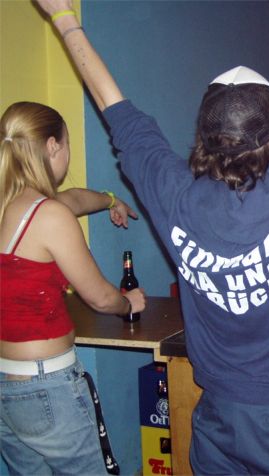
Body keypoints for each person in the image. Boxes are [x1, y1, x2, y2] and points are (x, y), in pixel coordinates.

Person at [36, 0, 269, 473]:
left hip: (216, 416)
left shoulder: (175, 197)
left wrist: (64, 19)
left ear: (205, 135)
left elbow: (118, 114)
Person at [0, 101, 146, 475]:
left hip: (6, 386)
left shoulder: (13, 206)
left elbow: (76, 198)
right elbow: (99, 297)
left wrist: (112, 200)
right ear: (52, 146)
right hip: (47, 384)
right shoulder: (49, 215)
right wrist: (128, 304)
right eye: (66, 144)